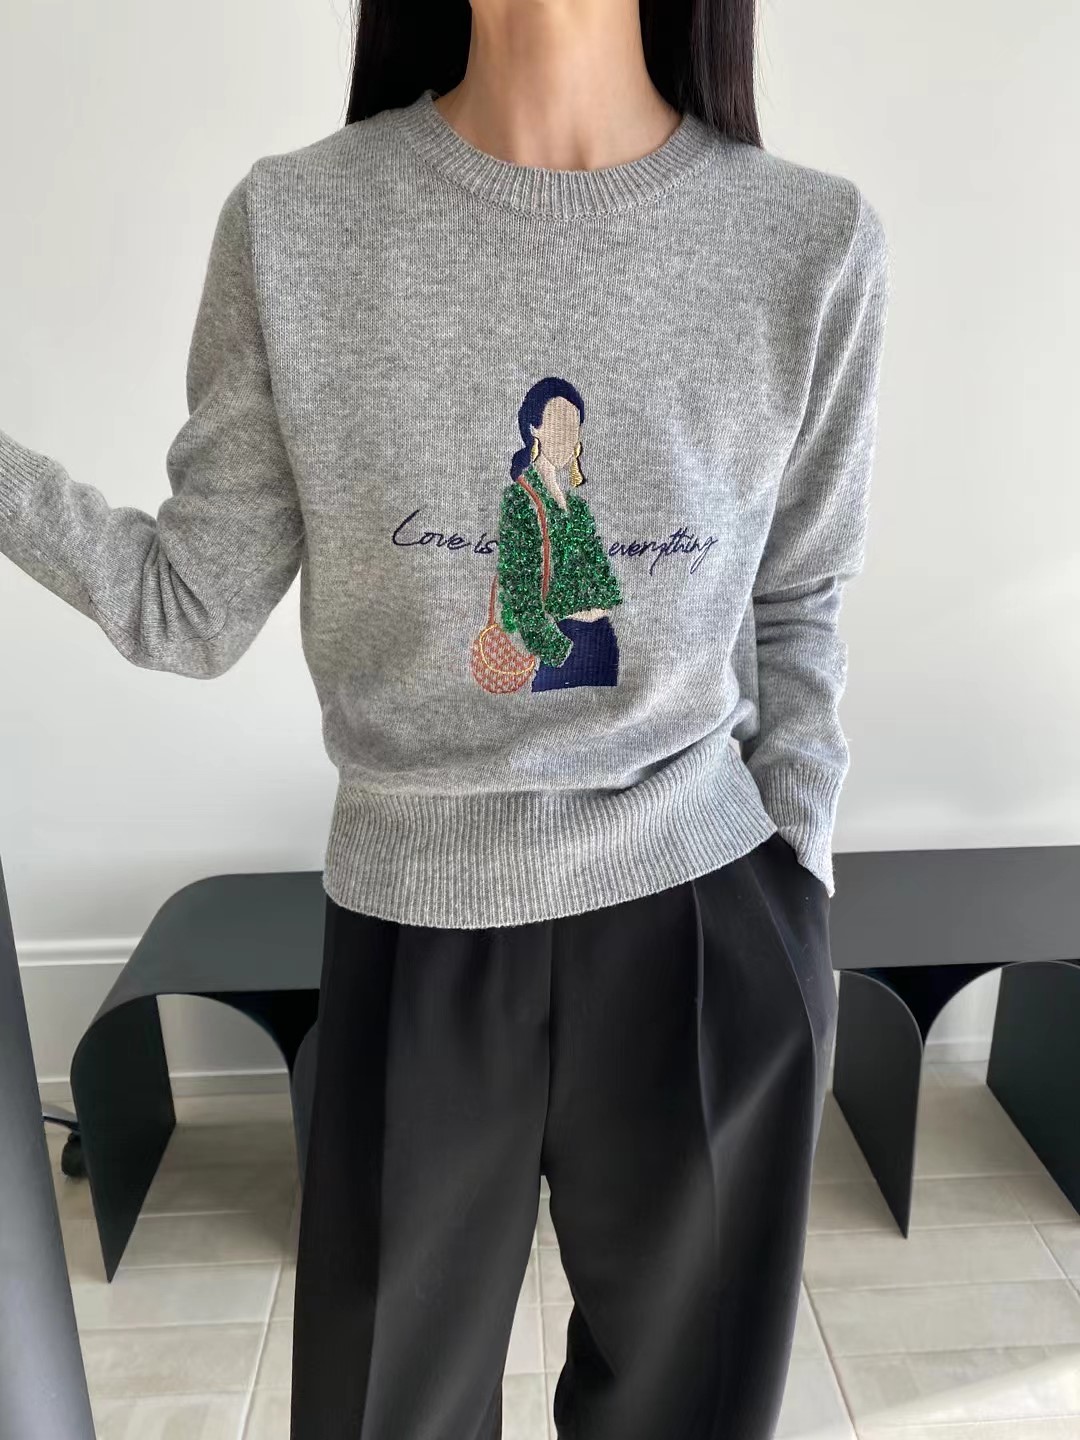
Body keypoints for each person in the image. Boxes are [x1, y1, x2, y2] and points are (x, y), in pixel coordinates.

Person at [0, 0, 891, 1436]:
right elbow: (187, 607)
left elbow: (800, 598)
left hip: (705, 919)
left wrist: (802, 867)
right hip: (414, 925)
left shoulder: (809, 240)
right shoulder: (297, 225)